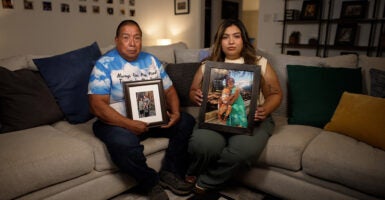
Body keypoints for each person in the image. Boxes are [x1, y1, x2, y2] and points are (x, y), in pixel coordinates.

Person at [88, 20, 195, 200]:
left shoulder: (151, 60)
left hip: (151, 117)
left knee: (187, 121)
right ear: (116, 40)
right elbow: (96, 105)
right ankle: (150, 183)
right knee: (123, 144)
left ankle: (170, 172)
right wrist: (129, 124)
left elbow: (169, 90)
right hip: (116, 123)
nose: (132, 43)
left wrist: (175, 112)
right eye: (126, 37)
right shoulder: (104, 64)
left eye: (137, 38)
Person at [187, 19, 283, 198]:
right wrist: (196, 95)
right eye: (225, 37)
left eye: (236, 36)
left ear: (243, 39)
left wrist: (265, 110)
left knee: (242, 152)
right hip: (215, 117)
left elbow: (276, 93)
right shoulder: (208, 64)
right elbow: (193, 90)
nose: (231, 42)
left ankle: (206, 181)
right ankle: (193, 170)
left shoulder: (260, 62)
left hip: (253, 118)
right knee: (203, 144)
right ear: (219, 41)